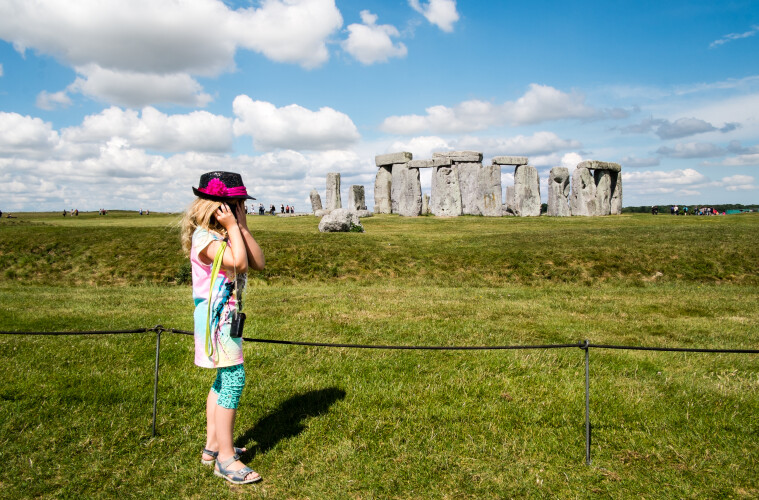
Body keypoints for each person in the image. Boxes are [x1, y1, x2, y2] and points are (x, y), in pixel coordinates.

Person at [180, 171, 265, 485]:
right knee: (233, 378)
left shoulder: (226, 233)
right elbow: (239, 264)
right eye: (238, 204)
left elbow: (258, 261)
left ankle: (213, 446)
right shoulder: (206, 238)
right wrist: (232, 228)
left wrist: (240, 228)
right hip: (217, 319)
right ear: (219, 206)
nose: (242, 207)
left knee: (223, 377)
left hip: (224, 317)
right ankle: (226, 460)